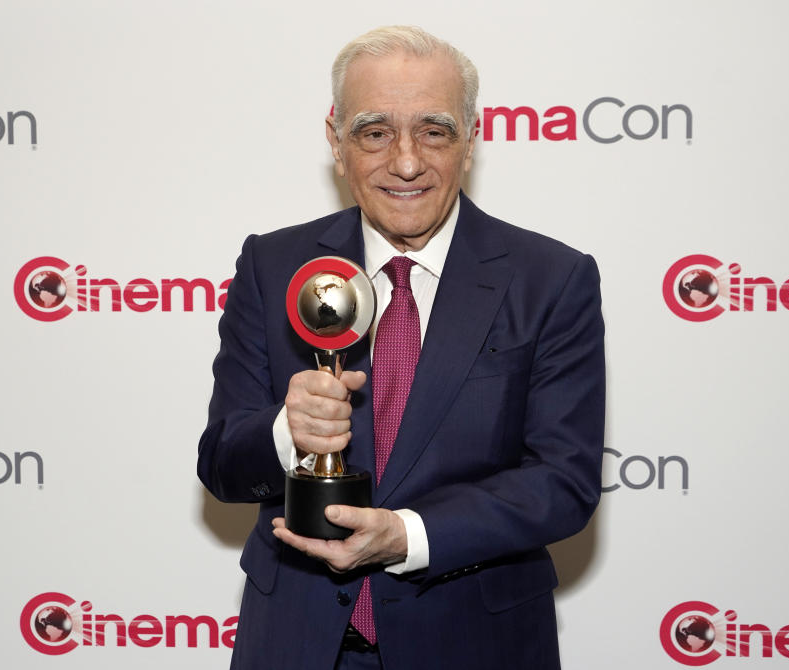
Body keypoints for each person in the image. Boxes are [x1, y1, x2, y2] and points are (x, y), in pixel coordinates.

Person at [198, 25, 605, 670]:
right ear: (336, 140)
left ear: (470, 138)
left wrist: (408, 535)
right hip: (296, 647)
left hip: (476, 647)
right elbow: (221, 466)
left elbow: (564, 482)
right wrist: (288, 434)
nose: (407, 161)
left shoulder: (552, 280)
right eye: (375, 131)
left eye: (435, 130)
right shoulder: (273, 267)